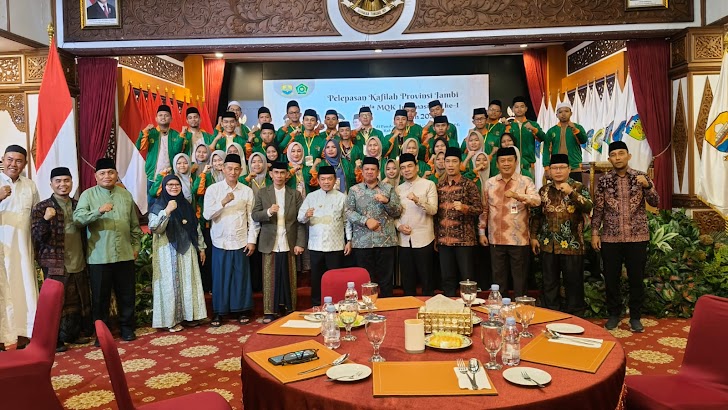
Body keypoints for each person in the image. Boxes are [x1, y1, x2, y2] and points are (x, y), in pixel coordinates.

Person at [591, 141, 659, 332]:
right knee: (611, 279)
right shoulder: (604, 181)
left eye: (621, 153)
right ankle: (614, 314)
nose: (618, 157)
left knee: (636, 279)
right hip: (610, 237)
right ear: (609, 159)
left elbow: (655, 201)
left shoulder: (641, 176)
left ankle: (635, 317)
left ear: (628, 156)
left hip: (637, 237)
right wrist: (595, 233)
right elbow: (598, 208)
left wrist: (648, 186)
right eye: (614, 155)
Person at [74, 158, 142, 345]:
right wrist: (98, 211)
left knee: (127, 295)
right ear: (95, 176)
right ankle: (102, 334)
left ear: (116, 175)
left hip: (125, 255)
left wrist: (136, 247)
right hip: (99, 257)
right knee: (100, 299)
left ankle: (127, 329)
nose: (107, 176)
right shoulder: (88, 195)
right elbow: (78, 219)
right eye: (102, 173)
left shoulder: (125, 195)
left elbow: (134, 226)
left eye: (111, 172)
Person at [31, 167, 92, 352]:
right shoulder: (41, 207)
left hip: (78, 257)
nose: (62, 184)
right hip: (55, 262)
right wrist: (45, 220)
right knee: (56, 302)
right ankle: (54, 339)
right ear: (51, 184)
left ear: (72, 183)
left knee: (76, 299)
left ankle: (73, 334)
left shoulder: (78, 205)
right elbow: (36, 236)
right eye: (58, 181)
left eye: (66, 180)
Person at [530, 154, 592, 316]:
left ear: (569, 169)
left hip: (572, 244)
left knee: (574, 283)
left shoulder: (578, 187)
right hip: (548, 244)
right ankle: (551, 315)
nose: (558, 171)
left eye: (562, 167)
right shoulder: (544, 190)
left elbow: (588, 207)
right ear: (549, 171)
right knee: (549, 284)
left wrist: (571, 193)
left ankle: (576, 316)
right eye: (554, 168)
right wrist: (533, 236)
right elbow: (536, 215)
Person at [203, 153, 259, 327]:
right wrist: (223, 202)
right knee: (220, 278)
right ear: (223, 169)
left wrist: (252, 240)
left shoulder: (246, 191)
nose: (232, 172)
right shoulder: (213, 190)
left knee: (240, 277)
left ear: (241, 171)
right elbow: (207, 215)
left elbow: (252, 219)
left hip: (241, 240)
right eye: (229, 169)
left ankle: (242, 310)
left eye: (236, 169)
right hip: (220, 241)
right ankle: (219, 312)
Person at [149, 175, 207, 332]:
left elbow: (195, 227)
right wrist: (167, 211)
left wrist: (201, 247)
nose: (174, 187)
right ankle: (171, 320)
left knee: (188, 281)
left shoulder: (185, 204)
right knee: (170, 284)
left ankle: (189, 317)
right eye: (170, 184)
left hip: (187, 248)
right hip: (166, 250)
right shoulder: (158, 205)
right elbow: (155, 228)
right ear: (164, 187)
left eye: (177, 184)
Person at [479, 147, 540, 299]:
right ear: (497, 164)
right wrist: (481, 232)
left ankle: (520, 309)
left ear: (516, 162)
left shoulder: (525, 181)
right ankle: (500, 309)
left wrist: (517, 196)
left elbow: (536, 201)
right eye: (502, 161)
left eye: (509, 160)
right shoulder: (489, 183)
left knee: (520, 280)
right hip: (496, 239)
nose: (506, 164)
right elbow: (484, 210)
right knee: (498, 281)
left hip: (519, 240)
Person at [252, 162, 306, 322]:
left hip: (289, 241)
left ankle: (290, 309)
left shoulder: (294, 194)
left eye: (282, 173)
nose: (279, 176)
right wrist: (268, 212)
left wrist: (300, 243)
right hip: (270, 241)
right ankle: (269, 311)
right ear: (271, 174)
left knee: (290, 277)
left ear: (287, 175)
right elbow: (255, 215)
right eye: (276, 172)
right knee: (269, 277)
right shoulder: (263, 193)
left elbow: (301, 221)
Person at [0, 145, 39, 350]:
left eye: (18, 161)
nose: (13, 164)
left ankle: (24, 333)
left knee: (24, 289)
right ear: (2, 160)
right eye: (9, 159)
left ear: (24, 163)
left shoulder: (30, 185)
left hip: (24, 250)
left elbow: (36, 216)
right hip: (2, 251)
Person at [346, 157, 402, 297]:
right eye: (367, 169)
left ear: (378, 172)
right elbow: (348, 212)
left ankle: (388, 308)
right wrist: (366, 221)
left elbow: (397, 211)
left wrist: (387, 201)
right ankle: (368, 307)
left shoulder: (388, 189)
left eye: (373, 169)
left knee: (386, 281)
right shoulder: (354, 190)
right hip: (362, 243)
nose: (369, 172)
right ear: (362, 171)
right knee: (366, 281)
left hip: (385, 241)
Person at [298, 165, 352, 307]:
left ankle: (337, 305)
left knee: (335, 278)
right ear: (318, 180)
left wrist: (349, 240)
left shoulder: (342, 197)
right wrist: (306, 215)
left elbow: (347, 221)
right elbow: (299, 218)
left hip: (335, 246)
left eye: (329, 179)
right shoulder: (311, 197)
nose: (326, 182)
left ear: (335, 180)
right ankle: (316, 306)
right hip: (316, 246)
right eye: (323, 179)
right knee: (316, 279)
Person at [435, 147, 482, 297]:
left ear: (460, 164)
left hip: (464, 241)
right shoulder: (439, 186)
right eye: (447, 161)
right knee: (447, 279)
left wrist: (465, 208)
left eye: (454, 161)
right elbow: (436, 214)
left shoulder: (468, 185)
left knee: (467, 279)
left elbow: (479, 208)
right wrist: (436, 238)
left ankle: (469, 308)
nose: (450, 165)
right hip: (444, 240)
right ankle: (449, 307)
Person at [396, 154, 438, 296]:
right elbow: (394, 215)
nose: (407, 170)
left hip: (424, 238)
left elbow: (433, 210)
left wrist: (417, 200)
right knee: (407, 282)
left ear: (417, 167)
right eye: (403, 168)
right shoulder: (398, 189)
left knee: (427, 281)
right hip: (404, 240)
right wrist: (399, 226)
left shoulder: (429, 185)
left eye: (410, 166)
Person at [136, 105, 190, 208]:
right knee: (152, 203)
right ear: (156, 118)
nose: (163, 117)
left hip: (170, 174)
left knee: (171, 204)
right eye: (160, 115)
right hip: (153, 175)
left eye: (166, 115)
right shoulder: (151, 133)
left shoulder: (176, 134)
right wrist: (145, 131)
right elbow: (140, 147)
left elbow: (177, 151)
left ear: (171, 118)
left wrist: (182, 135)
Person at [243, 152, 270, 293]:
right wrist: (247, 179)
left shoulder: (270, 179)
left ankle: (266, 283)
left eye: (260, 161)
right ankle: (254, 284)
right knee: (252, 255)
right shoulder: (244, 180)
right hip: (249, 222)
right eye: (253, 162)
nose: (257, 164)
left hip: (268, 221)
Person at [543, 102, 588, 182]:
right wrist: (546, 167)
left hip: (574, 166)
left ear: (571, 113)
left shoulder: (578, 127)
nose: (563, 114)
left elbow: (583, 140)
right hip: (557, 168)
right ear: (556, 115)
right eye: (560, 112)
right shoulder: (551, 131)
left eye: (566, 111)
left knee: (575, 188)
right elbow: (546, 150)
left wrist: (575, 130)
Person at [507, 96, 546, 179]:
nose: (519, 109)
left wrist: (533, 129)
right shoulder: (509, 126)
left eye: (522, 106)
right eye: (516, 107)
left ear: (526, 109)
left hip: (529, 164)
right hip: (511, 164)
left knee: (529, 186)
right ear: (512, 109)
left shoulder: (533, 124)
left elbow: (543, 138)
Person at [483, 100, 506, 177]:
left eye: (497, 111)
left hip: (495, 159)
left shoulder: (502, 127)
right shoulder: (481, 125)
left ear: (500, 114)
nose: (494, 112)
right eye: (492, 110)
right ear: (487, 111)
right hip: (480, 159)